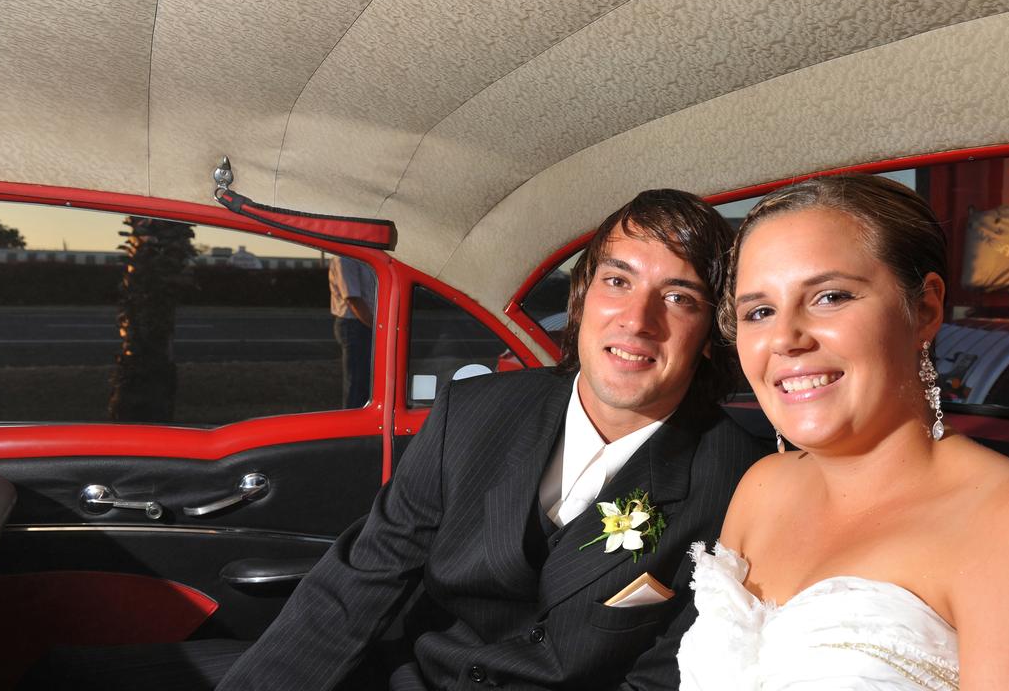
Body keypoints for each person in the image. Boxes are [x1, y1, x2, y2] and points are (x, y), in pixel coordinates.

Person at [211, 189, 765, 690]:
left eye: (678, 298)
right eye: (617, 281)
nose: (637, 320)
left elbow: (667, 677)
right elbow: (357, 585)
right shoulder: (471, 414)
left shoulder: (741, 482)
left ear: (712, 333)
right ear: (582, 300)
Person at [677, 176, 1009, 690]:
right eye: (760, 311)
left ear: (924, 308)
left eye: (830, 297)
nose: (785, 339)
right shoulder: (761, 488)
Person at [328, 255, 376, 408]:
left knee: (363, 380)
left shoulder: (360, 257)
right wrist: (377, 326)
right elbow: (353, 298)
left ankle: (358, 422)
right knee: (357, 382)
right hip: (355, 324)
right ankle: (353, 424)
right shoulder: (344, 259)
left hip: (361, 323)